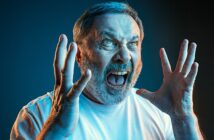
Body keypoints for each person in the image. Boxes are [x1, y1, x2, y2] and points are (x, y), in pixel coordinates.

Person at [10, 2, 204, 140]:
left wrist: (183, 119)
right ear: (79, 55)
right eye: (109, 42)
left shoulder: (162, 114)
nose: (125, 56)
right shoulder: (38, 115)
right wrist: (57, 130)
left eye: (133, 44)